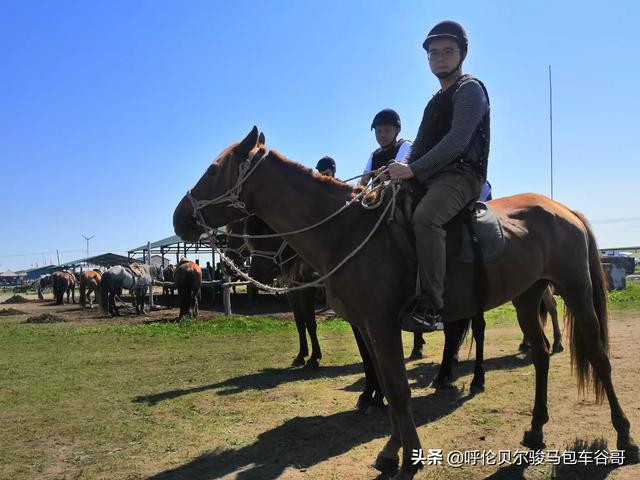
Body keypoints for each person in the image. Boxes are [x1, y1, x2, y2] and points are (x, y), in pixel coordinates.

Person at [388, 21, 491, 332]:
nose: (440, 58)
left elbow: (458, 139)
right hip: (430, 175)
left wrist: (414, 170)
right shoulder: (434, 101)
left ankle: (433, 304)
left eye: (448, 51)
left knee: (426, 218)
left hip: (462, 175)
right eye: (434, 53)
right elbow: (417, 145)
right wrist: (395, 169)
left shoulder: (470, 89)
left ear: (462, 54)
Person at [359, 109, 412, 186]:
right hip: (378, 196)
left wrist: (386, 175)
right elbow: (363, 182)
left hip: (403, 195)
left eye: (387, 130)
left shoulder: (405, 146)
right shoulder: (374, 155)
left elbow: (397, 170)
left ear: (397, 130)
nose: (382, 135)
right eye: (378, 131)